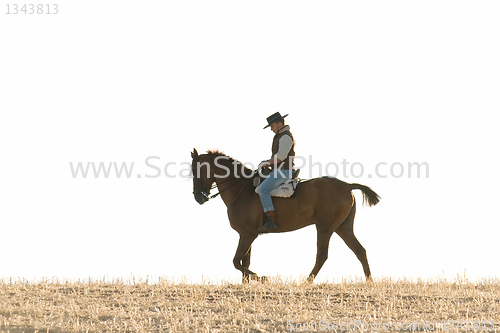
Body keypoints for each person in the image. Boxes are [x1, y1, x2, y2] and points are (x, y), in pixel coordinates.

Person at [257, 112, 295, 232]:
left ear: (279, 124)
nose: (271, 129)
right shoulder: (280, 136)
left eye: (272, 126)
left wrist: (267, 162)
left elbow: (281, 157)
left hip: (284, 171)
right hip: (279, 170)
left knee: (262, 189)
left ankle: (270, 221)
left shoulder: (285, 137)